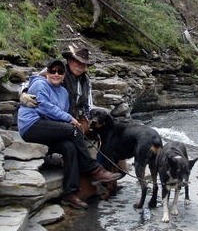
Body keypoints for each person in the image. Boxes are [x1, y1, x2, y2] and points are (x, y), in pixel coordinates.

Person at [17, 57, 123, 209]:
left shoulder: (65, 91)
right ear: (47, 72)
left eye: (60, 72)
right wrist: (70, 121)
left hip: (51, 126)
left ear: (64, 75)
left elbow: (76, 108)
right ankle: (94, 169)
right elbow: (44, 107)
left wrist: (82, 122)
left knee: (69, 147)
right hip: (32, 125)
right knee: (73, 131)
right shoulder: (40, 84)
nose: (56, 74)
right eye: (52, 71)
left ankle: (70, 193)